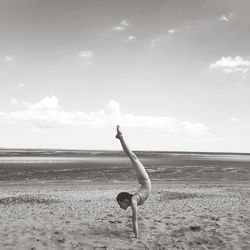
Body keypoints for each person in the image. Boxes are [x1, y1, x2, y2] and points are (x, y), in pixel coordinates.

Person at [115, 125, 151, 238]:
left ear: (126, 200)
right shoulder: (133, 200)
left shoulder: (134, 200)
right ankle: (120, 137)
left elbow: (134, 219)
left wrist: (137, 236)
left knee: (133, 157)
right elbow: (134, 219)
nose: (120, 207)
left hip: (144, 180)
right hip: (143, 182)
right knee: (133, 157)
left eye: (120, 204)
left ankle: (121, 137)